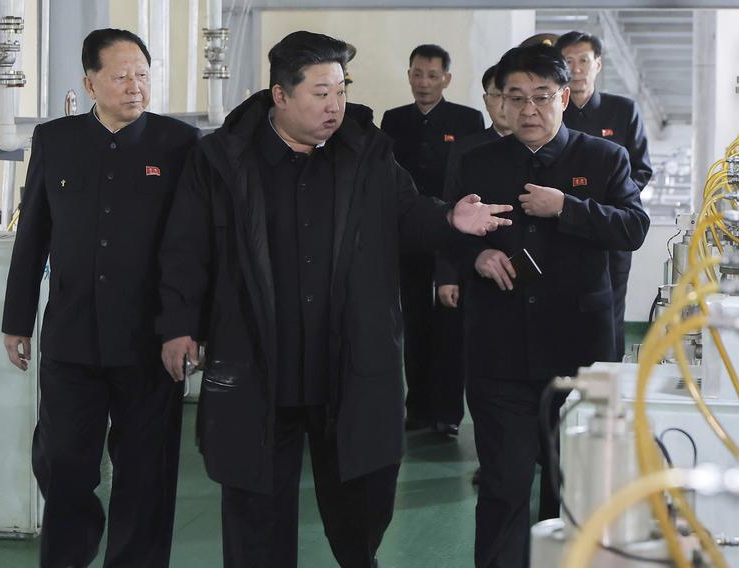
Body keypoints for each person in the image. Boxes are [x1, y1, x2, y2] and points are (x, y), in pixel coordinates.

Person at [158, 31, 512, 568]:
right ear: (280, 95)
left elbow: (406, 212)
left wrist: (449, 218)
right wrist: (179, 324)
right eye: (321, 93)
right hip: (258, 355)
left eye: (341, 91)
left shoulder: (366, 152)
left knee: (362, 499)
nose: (335, 106)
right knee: (254, 501)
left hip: (347, 359)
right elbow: (187, 247)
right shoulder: (223, 159)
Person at [1, 28, 199, 568]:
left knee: (145, 471)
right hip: (71, 337)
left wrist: (186, 326)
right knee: (63, 462)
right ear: (90, 83)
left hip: (149, 340)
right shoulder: (56, 140)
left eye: (142, 74)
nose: (135, 86)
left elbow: (193, 245)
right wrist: (17, 319)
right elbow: (33, 234)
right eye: (120, 76)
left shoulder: (180, 145)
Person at [446, 44, 649, 567]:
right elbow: (447, 234)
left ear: (564, 97)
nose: (529, 110)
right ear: (502, 104)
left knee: (574, 489)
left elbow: (633, 229)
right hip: (499, 351)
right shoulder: (475, 160)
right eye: (517, 98)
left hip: (578, 352)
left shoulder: (604, 158)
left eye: (541, 97)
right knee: (504, 484)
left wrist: (568, 207)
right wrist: (477, 256)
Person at [380, 44, 485, 434]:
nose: (423, 83)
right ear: (409, 75)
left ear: (447, 79)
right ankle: (418, 407)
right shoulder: (393, 120)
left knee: (449, 324)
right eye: (417, 74)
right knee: (413, 322)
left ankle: (447, 414)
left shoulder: (467, 119)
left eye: (432, 75)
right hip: (407, 234)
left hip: (452, 234)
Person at [555, 30, 654, 361]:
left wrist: (606, 207)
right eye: (568, 61)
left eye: (584, 60)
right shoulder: (551, 111)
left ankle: (610, 382)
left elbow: (640, 170)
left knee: (610, 311)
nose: (576, 68)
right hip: (559, 229)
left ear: (597, 64)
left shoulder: (622, 110)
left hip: (609, 231)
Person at [436, 63, 514, 483]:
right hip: (479, 275)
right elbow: (449, 213)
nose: (505, 105)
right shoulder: (467, 150)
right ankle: (491, 457)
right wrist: (449, 272)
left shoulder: (538, 147)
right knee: (481, 373)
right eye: (497, 96)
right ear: (486, 100)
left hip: (531, 281)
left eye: (513, 95)